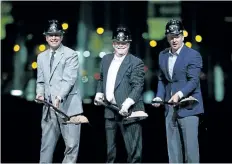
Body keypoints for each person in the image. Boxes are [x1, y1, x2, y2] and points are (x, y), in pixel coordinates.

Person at [152, 19, 204, 163]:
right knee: (173, 151)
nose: (174, 40)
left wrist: (179, 94)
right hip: (169, 108)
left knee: (190, 151)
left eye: (177, 36)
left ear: (182, 36)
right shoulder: (163, 55)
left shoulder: (193, 55)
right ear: (167, 37)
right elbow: (162, 79)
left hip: (188, 107)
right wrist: (158, 96)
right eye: (171, 37)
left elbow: (193, 81)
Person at [94, 25, 147, 163]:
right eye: (118, 42)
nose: (121, 45)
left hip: (129, 112)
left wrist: (127, 103)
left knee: (134, 153)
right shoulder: (106, 59)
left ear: (129, 43)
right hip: (110, 111)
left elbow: (138, 86)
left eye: (124, 43)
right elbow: (101, 78)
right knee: (110, 152)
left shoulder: (136, 62)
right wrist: (99, 93)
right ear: (113, 43)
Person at [36, 19, 83, 163]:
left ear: (61, 36)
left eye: (57, 34)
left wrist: (59, 97)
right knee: (46, 146)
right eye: (51, 35)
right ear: (46, 37)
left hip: (68, 108)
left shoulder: (71, 54)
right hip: (49, 108)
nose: (54, 37)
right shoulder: (41, 57)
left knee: (71, 147)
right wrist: (40, 93)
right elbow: (41, 80)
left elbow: (69, 79)